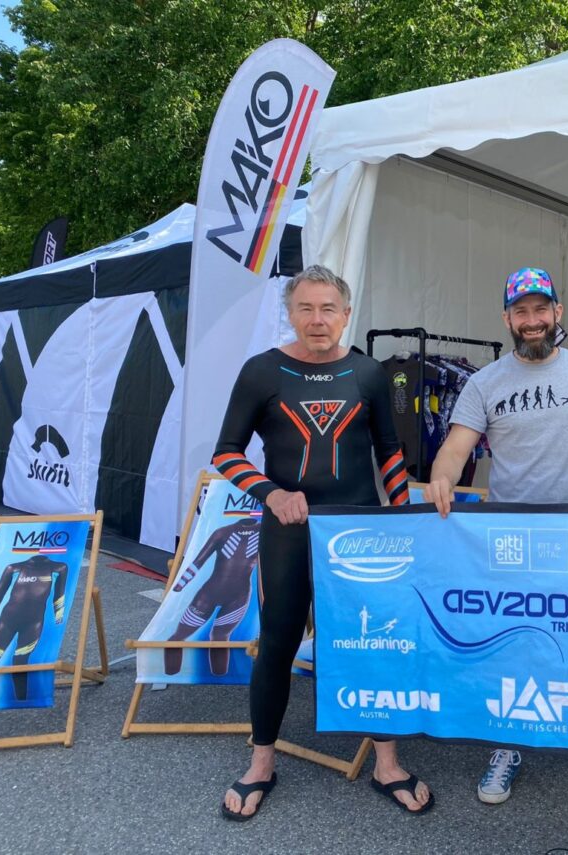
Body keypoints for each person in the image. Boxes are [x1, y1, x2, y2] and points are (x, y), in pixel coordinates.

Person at [423, 266, 568, 804]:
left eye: (540, 309)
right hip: (512, 537)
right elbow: (456, 448)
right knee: (516, 640)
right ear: (507, 319)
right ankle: (508, 744)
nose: (532, 320)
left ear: (557, 312)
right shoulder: (484, 383)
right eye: (521, 311)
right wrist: (440, 479)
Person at [212, 265, 432, 820]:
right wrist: (272, 493)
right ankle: (261, 763)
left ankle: (387, 764)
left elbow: (390, 452)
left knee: (372, 644)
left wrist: (401, 519)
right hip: (288, 532)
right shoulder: (262, 371)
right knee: (278, 643)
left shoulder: (368, 372)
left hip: (360, 536)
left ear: (346, 314)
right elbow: (226, 453)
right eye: (306, 308)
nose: (317, 319)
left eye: (328, 308)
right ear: (290, 313)